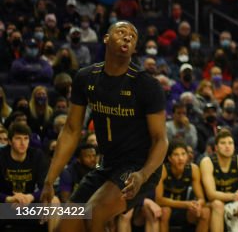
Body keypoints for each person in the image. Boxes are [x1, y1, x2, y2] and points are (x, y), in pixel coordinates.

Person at [42, 21, 169, 232]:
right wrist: (49, 180)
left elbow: (161, 140)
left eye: (133, 36)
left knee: (95, 212)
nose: (128, 36)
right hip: (107, 165)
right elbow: (72, 130)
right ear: (106, 39)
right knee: (65, 227)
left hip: (139, 166)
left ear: (135, 48)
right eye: (121, 32)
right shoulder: (85, 77)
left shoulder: (146, 84)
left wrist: (143, 175)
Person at [200, 129, 238, 232]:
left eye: (230, 143)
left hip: (235, 202)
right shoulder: (207, 162)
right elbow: (211, 194)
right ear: (216, 148)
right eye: (223, 143)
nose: (227, 146)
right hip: (212, 204)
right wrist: (233, 196)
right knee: (218, 204)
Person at [155, 141, 210, 232]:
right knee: (165, 211)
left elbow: (201, 199)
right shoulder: (163, 170)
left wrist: (198, 205)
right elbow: (159, 200)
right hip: (166, 207)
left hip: (184, 209)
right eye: (176, 155)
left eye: (183, 154)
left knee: (205, 212)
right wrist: (185, 204)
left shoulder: (194, 169)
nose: (180, 158)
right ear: (169, 158)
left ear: (188, 156)